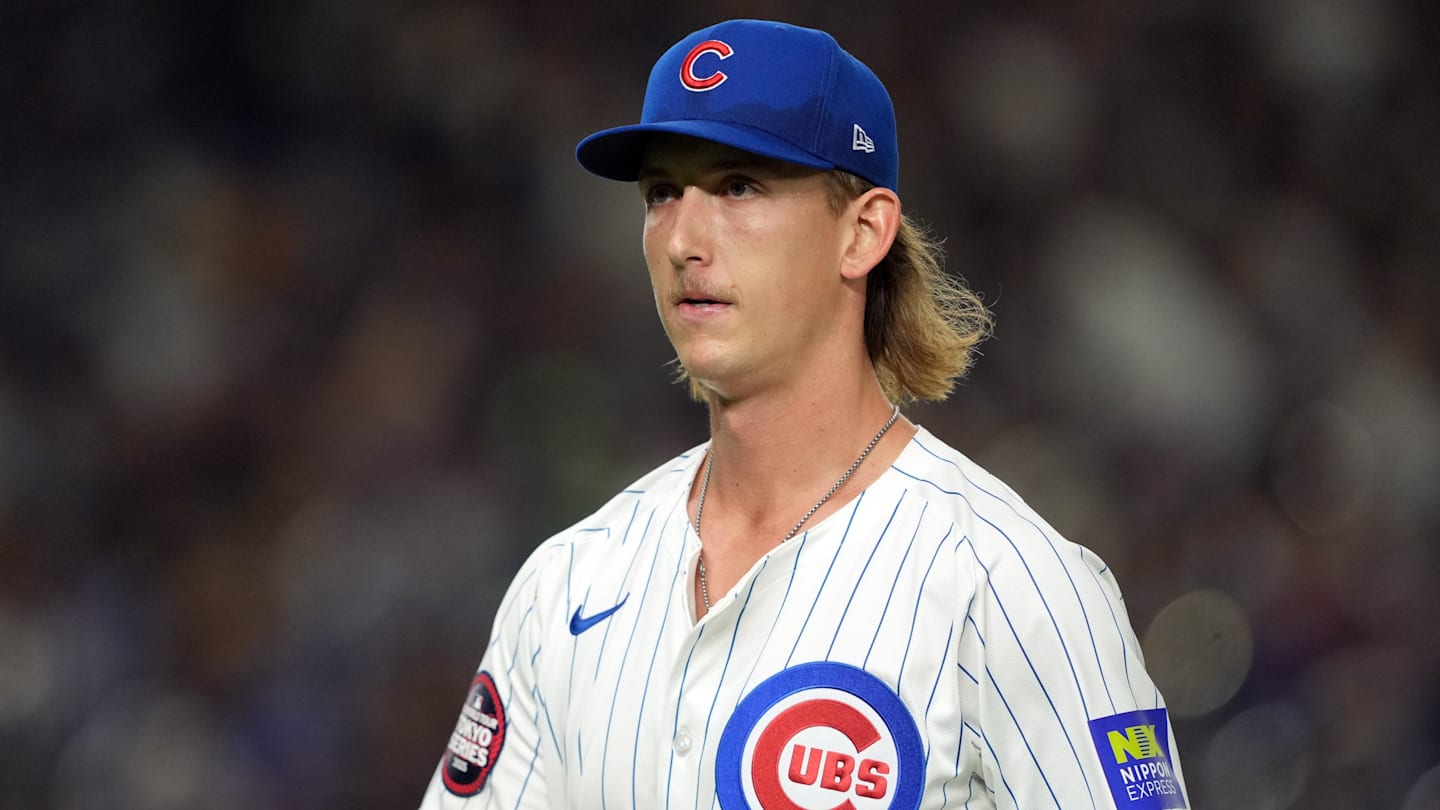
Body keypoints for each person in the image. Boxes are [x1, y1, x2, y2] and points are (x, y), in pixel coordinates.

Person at [419, 19, 1187, 810]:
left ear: (863, 232)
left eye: (738, 186)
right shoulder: (567, 583)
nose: (683, 236)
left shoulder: (1013, 586)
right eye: (661, 193)